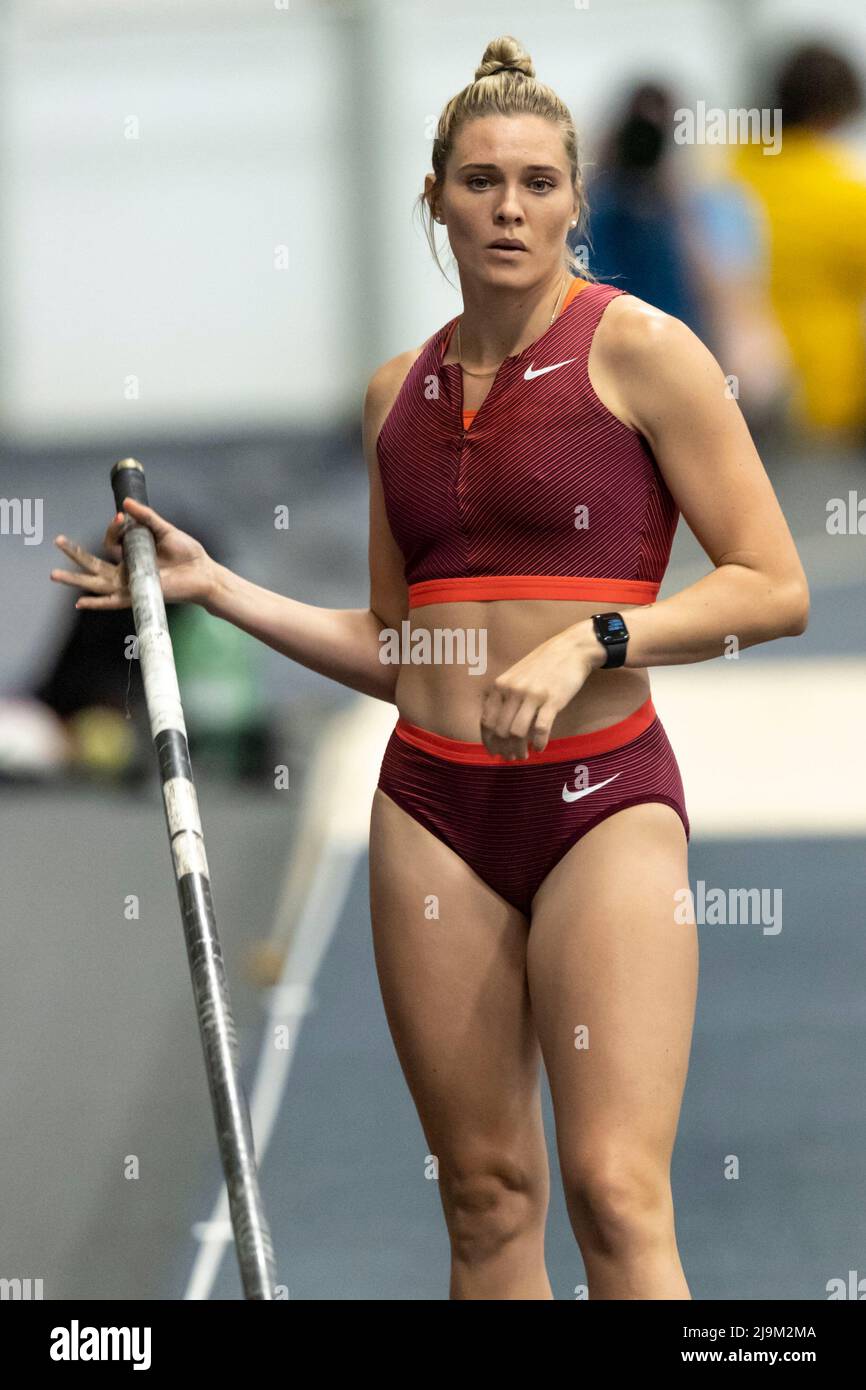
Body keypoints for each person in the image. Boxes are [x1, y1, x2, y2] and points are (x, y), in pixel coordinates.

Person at [50, 35, 810, 1300]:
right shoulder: (392, 393)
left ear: (573, 199)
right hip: (432, 809)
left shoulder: (643, 352)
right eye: (477, 181)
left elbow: (773, 586)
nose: (507, 207)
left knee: (615, 1194)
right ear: (434, 199)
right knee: (482, 1198)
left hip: (598, 801)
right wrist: (217, 588)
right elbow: (402, 647)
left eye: (534, 182)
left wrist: (596, 637)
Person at [731, 41, 866, 442]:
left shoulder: (730, 168)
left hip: (738, 391)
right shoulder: (845, 190)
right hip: (826, 395)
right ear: (834, 111)